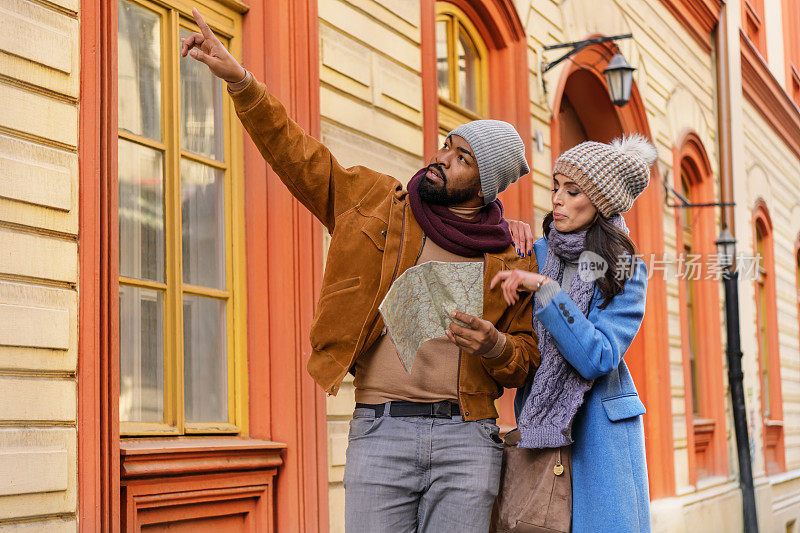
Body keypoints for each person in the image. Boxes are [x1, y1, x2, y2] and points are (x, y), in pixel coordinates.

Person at [181, 9, 540, 532]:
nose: (441, 158)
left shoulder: (510, 255)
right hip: (382, 432)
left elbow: (527, 358)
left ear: (485, 186)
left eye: (461, 158)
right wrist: (242, 83)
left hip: (469, 441)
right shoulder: (379, 202)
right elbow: (302, 159)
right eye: (447, 143)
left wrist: (495, 347)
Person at [491, 135, 655, 532]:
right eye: (555, 187)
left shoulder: (625, 268)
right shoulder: (537, 254)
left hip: (600, 434)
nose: (557, 199)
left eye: (573, 190)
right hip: (541, 429)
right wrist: (504, 228)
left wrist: (548, 291)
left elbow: (598, 356)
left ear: (601, 201)